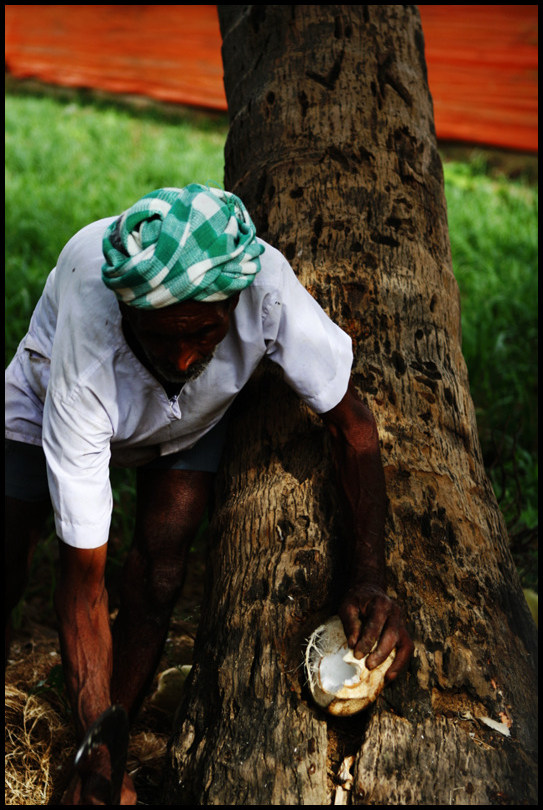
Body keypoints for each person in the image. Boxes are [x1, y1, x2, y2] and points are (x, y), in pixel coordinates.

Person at [5, 184, 413, 804]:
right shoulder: (88, 347)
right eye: (161, 336)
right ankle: (102, 753)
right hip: (42, 407)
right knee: (10, 547)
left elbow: (353, 429)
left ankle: (113, 744)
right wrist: (98, 751)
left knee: (161, 575)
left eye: (204, 332)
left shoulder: (265, 288)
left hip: (193, 417)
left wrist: (369, 577)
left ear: (234, 304)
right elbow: (82, 584)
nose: (184, 353)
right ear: (126, 312)